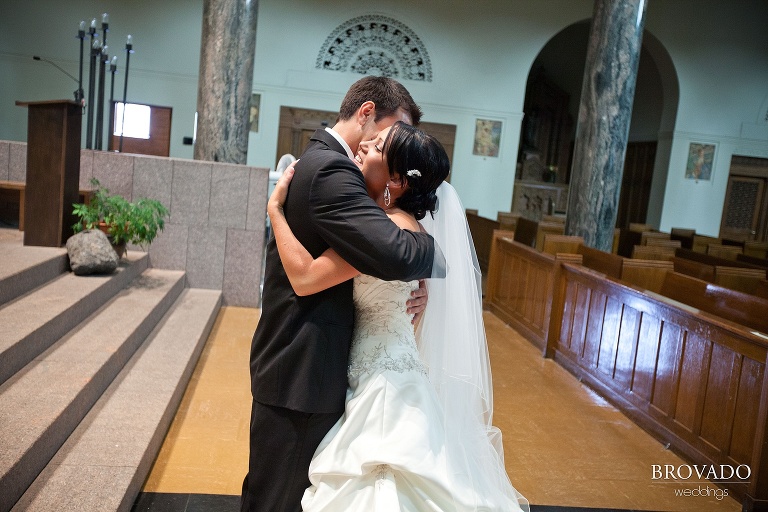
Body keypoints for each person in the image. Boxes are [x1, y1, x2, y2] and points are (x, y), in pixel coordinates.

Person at [268, 121, 529, 511]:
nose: (364, 147)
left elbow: (306, 278)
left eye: (376, 148)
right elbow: (408, 316)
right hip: (389, 367)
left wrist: (275, 211)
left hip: (383, 386)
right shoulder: (409, 228)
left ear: (396, 181)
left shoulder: (386, 232)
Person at [241, 77, 444, 512]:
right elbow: (388, 255)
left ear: (397, 180)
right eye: (388, 132)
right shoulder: (334, 170)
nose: (373, 144)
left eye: (385, 145)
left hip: (360, 378)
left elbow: (390, 255)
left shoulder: (340, 175)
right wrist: (432, 257)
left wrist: (417, 276)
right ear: (367, 113)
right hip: (308, 370)